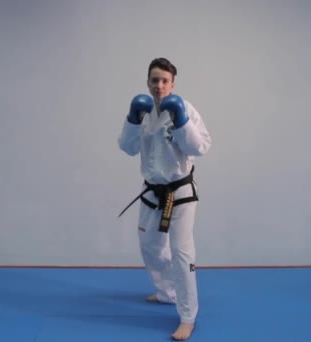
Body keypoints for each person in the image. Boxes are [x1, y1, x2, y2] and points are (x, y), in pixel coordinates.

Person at [117, 57, 212, 340]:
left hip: (180, 193)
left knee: (182, 254)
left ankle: (188, 316)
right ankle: (166, 292)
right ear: (147, 82)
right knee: (150, 247)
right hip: (152, 191)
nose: (159, 85)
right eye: (154, 80)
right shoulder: (143, 110)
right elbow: (127, 147)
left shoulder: (185, 109)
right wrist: (133, 117)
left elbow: (202, 146)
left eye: (164, 80)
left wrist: (181, 118)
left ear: (172, 84)